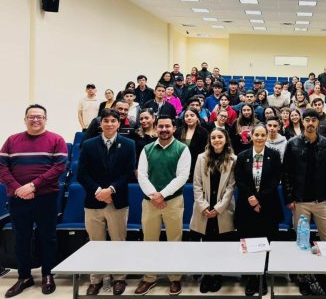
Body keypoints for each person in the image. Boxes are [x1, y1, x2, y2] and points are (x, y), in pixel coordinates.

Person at [0, 104, 67, 297]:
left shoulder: (56, 140)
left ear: (45, 119)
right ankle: (24, 277)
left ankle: (48, 274)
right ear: (25, 119)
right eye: (31, 116)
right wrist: (17, 189)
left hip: (45, 197)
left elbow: (59, 168)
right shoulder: (12, 141)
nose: (35, 120)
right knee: (21, 238)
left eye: (39, 117)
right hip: (18, 198)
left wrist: (32, 186)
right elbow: (2, 167)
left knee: (48, 237)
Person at [77, 108, 136, 296]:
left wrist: (110, 190)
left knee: (118, 241)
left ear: (119, 123)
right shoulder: (88, 144)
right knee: (96, 243)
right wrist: (98, 191)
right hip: (93, 201)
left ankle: (119, 278)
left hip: (117, 200)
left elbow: (128, 172)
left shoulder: (129, 144)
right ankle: (97, 279)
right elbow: (82, 174)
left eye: (113, 121)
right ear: (100, 123)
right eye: (106, 121)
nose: (109, 124)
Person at [282, 108, 326, 296]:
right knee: (301, 242)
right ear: (302, 122)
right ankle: (304, 277)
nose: (311, 123)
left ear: (318, 123)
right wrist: (289, 198)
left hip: (322, 201)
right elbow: (287, 173)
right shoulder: (292, 144)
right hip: (300, 202)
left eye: (314, 120)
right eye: (307, 119)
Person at [135, 116, 191, 296]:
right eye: (161, 126)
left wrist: (162, 194)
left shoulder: (182, 149)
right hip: (150, 202)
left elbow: (182, 177)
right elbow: (141, 175)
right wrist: (154, 195)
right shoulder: (147, 149)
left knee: (174, 240)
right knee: (149, 240)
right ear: (156, 128)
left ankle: (175, 278)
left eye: (168, 126)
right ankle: (149, 277)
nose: (164, 129)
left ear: (174, 128)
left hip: (173, 201)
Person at [235, 125, 282, 296]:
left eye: (263, 135)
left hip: (268, 206)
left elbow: (275, 181)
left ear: (267, 137)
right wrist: (252, 199)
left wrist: (259, 198)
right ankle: (251, 277)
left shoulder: (274, 155)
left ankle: (263, 275)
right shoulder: (242, 156)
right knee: (249, 240)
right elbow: (239, 180)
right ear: (252, 136)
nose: (260, 137)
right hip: (247, 207)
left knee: (265, 240)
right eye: (257, 134)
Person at [190, 128, 236, 293]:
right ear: (210, 140)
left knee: (220, 243)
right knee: (206, 243)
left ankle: (217, 275)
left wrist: (218, 208)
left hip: (222, 210)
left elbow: (231, 187)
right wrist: (203, 207)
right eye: (214, 137)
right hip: (204, 209)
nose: (217, 140)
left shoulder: (233, 159)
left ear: (226, 139)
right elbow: (196, 184)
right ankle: (207, 275)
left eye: (220, 137)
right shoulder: (201, 158)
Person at [175, 108, 209, 183]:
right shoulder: (178, 131)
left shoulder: (204, 132)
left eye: (192, 115)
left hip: (197, 167)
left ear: (197, 117)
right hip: (180, 167)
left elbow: (205, 152)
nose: (189, 118)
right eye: (186, 116)